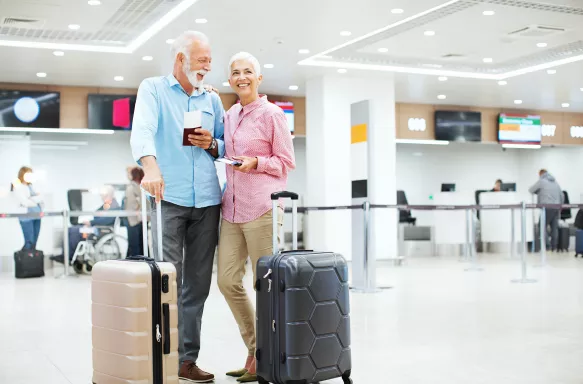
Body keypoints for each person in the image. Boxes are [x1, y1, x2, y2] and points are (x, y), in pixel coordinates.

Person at [130, 30, 225, 383]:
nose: (207, 66)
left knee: (198, 285)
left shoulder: (211, 100)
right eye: (202, 60)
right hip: (168, 198)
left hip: (207, 201)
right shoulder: (153, 89)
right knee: (168, 280)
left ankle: (187, 359)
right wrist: (150, 166)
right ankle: (164, 354)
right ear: (181, 59)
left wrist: (211, 143)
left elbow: (227, 146)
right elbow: (142, 129)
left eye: (209, 61)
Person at [217, 52, 295, 383]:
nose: (241, 76)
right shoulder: (230, 114)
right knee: (226, 280)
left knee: (262, 286)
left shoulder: (272, 114)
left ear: (258, 78)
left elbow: (286, 162)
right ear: (230, 79)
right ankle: (254, 348)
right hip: (231, 210)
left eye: (248, 71)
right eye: (235, 72)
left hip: (262, 208)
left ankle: (262, 357)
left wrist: (257, 163)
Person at [529, 169, 563, 251]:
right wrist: (560, 206)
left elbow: (531, 190)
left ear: (541, 174)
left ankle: (547, 246)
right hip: (556, 207)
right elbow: (562, 195)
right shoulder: (555, 182)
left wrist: (539, 192)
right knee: (554, 228)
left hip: (546, 207)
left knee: (542, 227)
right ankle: (554, 247)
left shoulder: (542, 181)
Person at [12, 166, 43, 250]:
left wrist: (31, 199)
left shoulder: (32, 186)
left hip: (37, 216)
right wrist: (34, 199)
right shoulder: (18, 187)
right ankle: (24, 260)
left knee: (34, 242)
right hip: (26, 217)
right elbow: (25, 202)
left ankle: (32, 261)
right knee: (29, 241)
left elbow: (40, 198)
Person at [125, 166, 145, 257]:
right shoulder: (134, 187)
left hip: (135, 221)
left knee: (136, 246)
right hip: (135, 221)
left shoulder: (134, 187)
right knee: (136, 246)